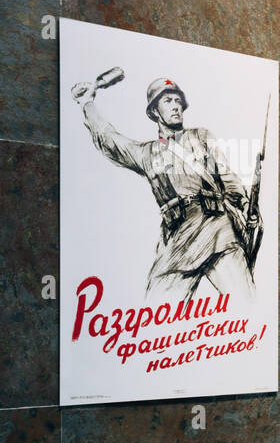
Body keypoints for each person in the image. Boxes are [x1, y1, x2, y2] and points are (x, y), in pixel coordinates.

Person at [73, 74, 255, 298]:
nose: (176, 106)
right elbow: (111, 142)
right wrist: (87, 103)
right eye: (168, 101)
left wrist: (246, 206)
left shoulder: (200, 137)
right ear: (154, 112)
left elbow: (227, 177)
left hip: (216, 231)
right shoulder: (147, 153)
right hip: (178, 240)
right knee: (156, 305)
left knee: (245, 303)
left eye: (178, 101)